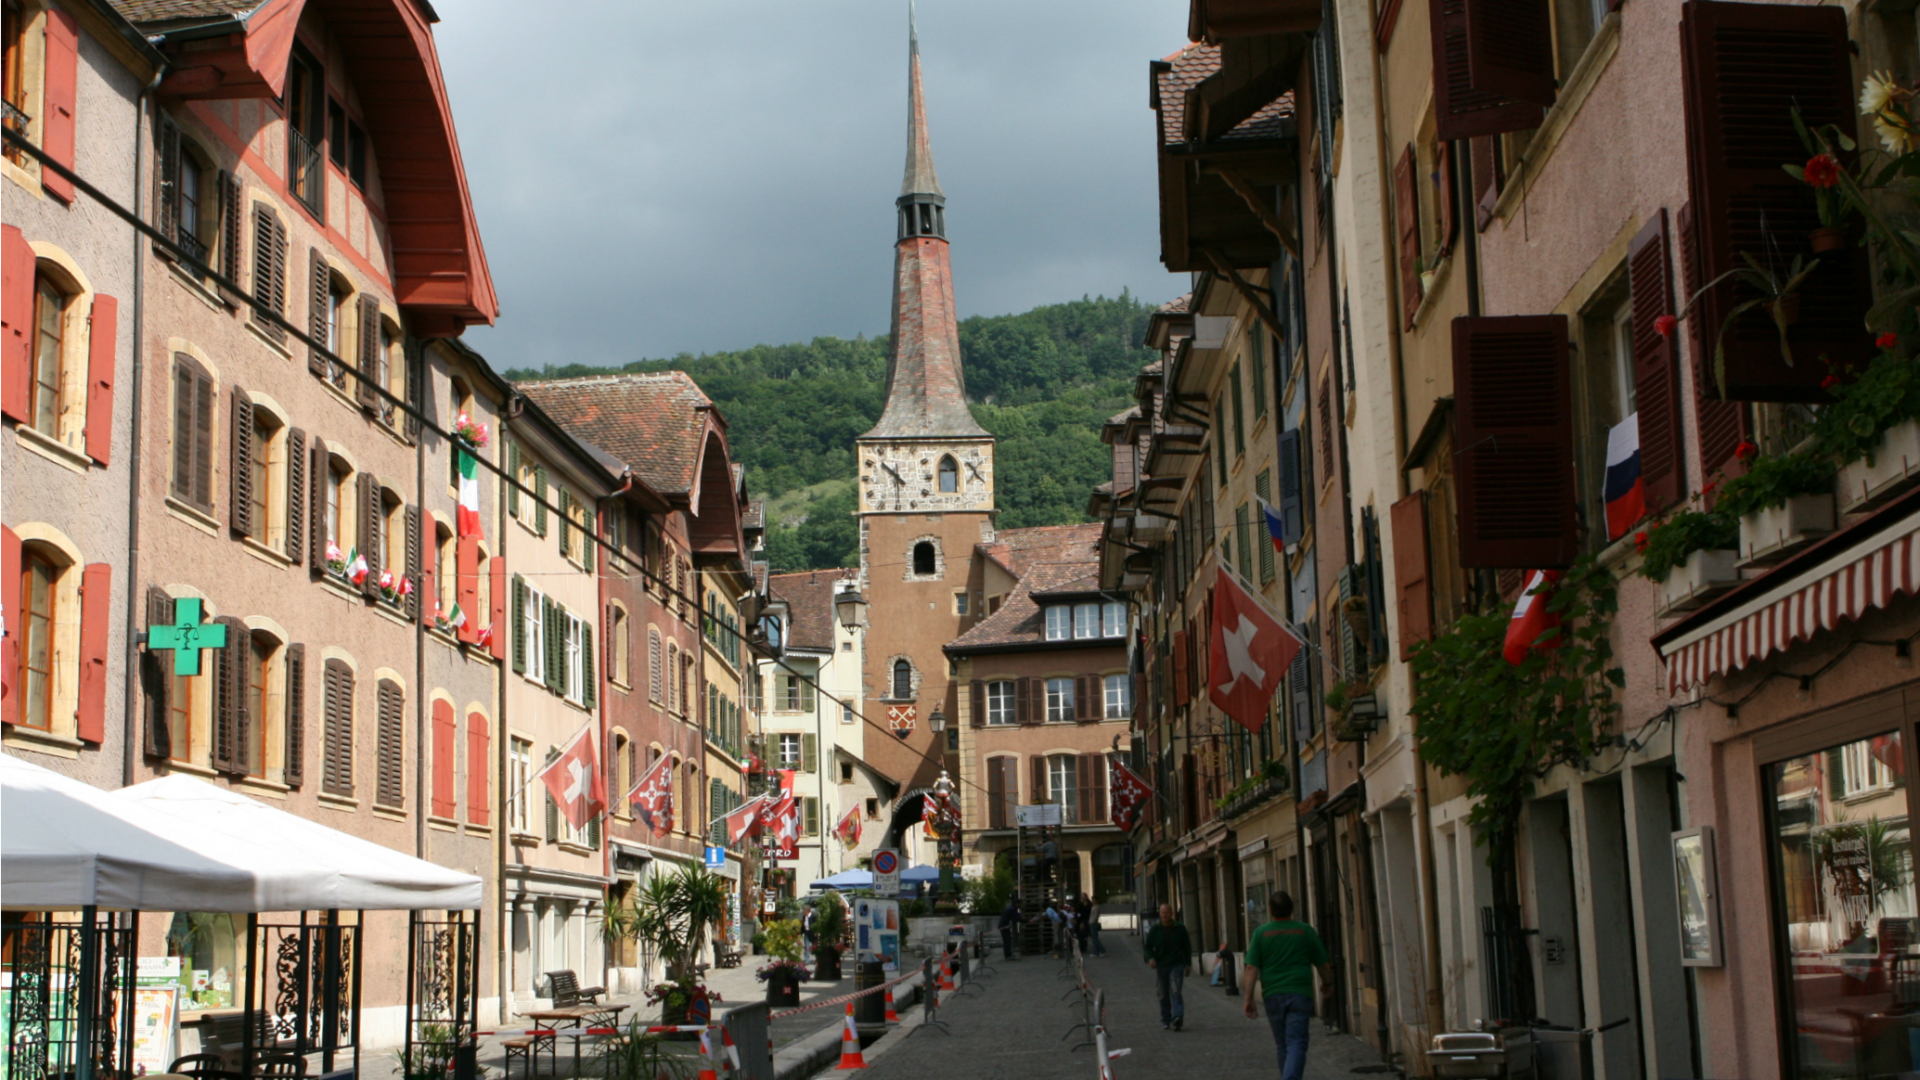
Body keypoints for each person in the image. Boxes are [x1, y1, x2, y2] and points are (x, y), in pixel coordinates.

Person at [1242, 892, 1333, 1080]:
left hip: (1273, 994)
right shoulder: (1305, 931)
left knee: (1282, 1044)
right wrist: (1328, 983)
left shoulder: (1261, 933)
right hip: (1300, 992)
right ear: (1292, 909)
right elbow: (1323, 964)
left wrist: (1248, 998)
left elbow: (1251, 968)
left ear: (1270, 910)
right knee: (1297, 1043)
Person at [1144, 902, 1191, 1031]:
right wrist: (1150, 958)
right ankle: (1166, 1019)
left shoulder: (1180, 928)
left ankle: (1177, 1018)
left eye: (1167, 913)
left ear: (1171, 913)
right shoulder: (1155, 929)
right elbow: (1147, 947)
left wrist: (1188, 964)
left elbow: (1186, 946)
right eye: (1162, 913)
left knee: (1175, 991)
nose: (1165, 915)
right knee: (1163, 993)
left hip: (1177, 964)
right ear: (1160, 914)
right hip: (1162, 965)